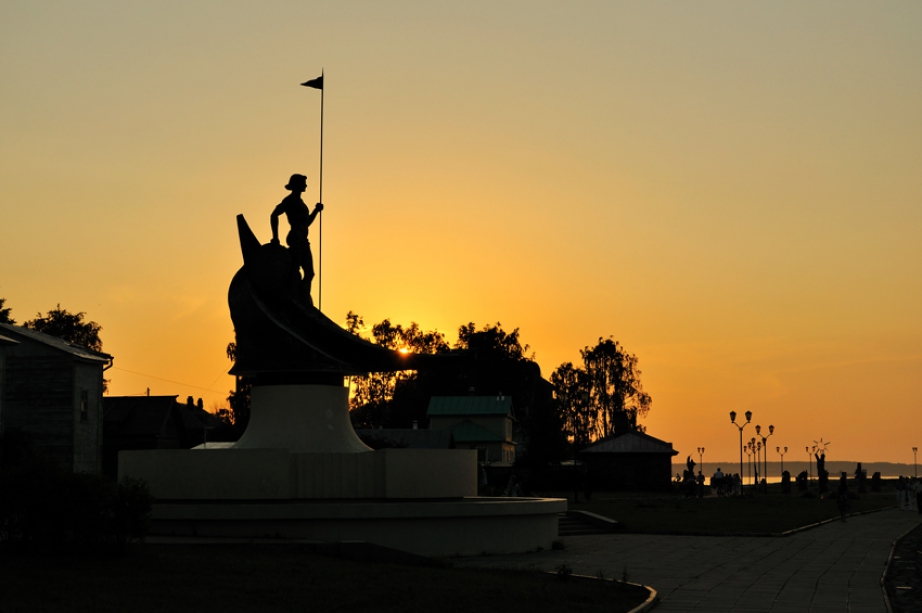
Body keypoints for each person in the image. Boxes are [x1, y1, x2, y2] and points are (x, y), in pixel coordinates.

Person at [270, 174, 323, 306]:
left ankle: (303, 299)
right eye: (303, 183)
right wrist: (275, 237)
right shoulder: (290, 200)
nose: (306, 185)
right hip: (296, 239)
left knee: (309, 273)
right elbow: (274, 214)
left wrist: (316, 211)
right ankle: (296, 299)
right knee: (295, 271)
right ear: (297, 185)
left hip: (303, 240)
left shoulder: (300, 202)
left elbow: (306, 223)